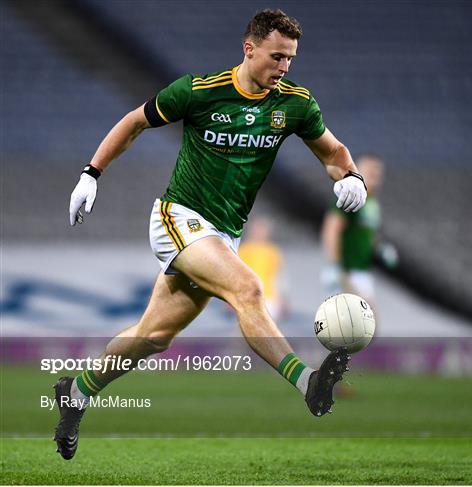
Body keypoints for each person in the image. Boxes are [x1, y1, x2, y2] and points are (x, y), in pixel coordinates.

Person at [55, 9, 367, 460]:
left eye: (291, 60)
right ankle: (308, 383)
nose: (284, 68)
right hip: (177, 217)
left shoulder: (294, 104)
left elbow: (333, 150)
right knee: (248, 287)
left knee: (153, 336)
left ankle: (77, 392)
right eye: (277, 57)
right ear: (250, 48)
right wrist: (91, 173)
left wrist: (349, 175)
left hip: (222, 234)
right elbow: (134, 121)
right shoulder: (200, 91)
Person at [321, 154, 397, 318]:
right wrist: (334, 265)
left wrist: (380, 248)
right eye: (369, 172)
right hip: (347, 271)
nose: (374, 177)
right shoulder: (351, 196)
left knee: (364, 327)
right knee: (357, 325)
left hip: (363, 271)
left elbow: (368, 233)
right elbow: (331, 229)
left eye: (377, 173)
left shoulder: (372, 203)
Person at [238, 217, 287, 320]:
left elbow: (279, 276)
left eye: (263, 230)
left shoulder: (273, 251)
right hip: (248, 296)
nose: (261, 233)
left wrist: (283, 298)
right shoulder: (245, 250)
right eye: (258, 229)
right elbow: (236, 275)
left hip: (269, 296)